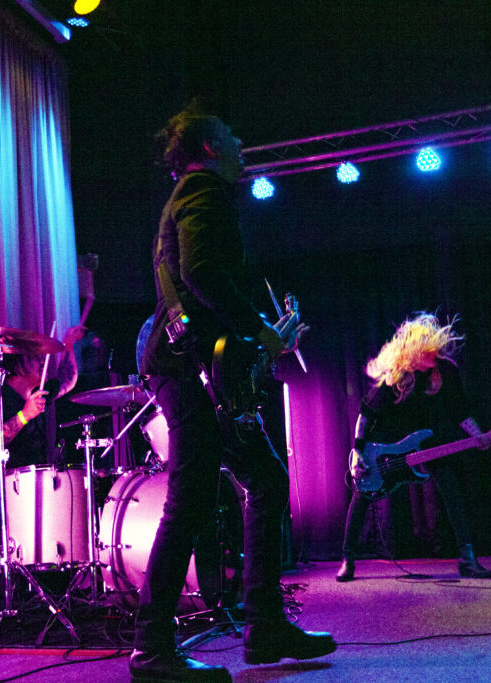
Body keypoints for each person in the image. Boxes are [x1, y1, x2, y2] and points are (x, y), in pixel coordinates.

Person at [131, 101, 336, 683]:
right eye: (231, 135)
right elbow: (200, 274)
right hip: (186, 368)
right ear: (209, 147)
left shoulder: (189, 197)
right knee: (191, 498)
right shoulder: (203, 192)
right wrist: (259, 330)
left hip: (194, 365)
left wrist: (255, 337)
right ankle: (151, 649)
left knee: (265, 479)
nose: (242, 143)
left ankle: (264, 625)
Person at [335, 311, 491, 583]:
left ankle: (468, 558)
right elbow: (365, 415)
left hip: (425, 441)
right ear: (413, 352)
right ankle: (347, 559)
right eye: (428, 350)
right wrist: (357, 452)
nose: (434, 355)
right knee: (363, 494)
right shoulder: (395, 376)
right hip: (383, 445)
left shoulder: (445, 371)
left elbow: (460, 411)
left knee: (450, 486)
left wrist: (478, 435)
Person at [0, 325, 85, 503]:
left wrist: (68, 344)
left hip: (37, 486)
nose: (42, 362)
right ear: (18, 362)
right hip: (3, 492)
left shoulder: (38, 392)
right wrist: (24, 416)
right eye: (35, 357)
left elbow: (67, 379)